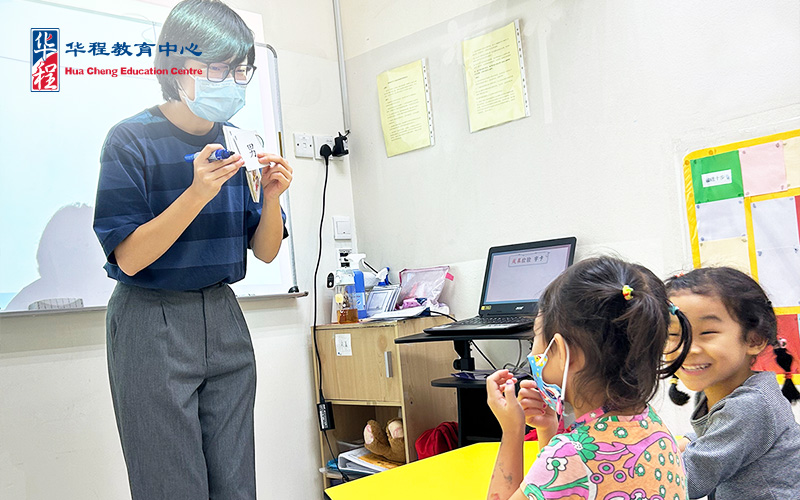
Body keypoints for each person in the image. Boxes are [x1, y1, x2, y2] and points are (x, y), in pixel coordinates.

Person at [92, 1, 292, 498]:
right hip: (150, 319)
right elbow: (130, 257)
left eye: (241, 69)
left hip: (222, 314)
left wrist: (271, 200)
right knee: (170, 486)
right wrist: (196, 192)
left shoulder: (241, 142)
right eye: (218, 67)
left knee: (235, 485)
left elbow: (265, 251)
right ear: (178, 68)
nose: (233, 80)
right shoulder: (129, 139)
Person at [485, 256, 692, 500]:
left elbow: (564, 470)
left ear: (563, 353)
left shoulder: (570, 454)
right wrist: (549, 429)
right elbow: (564, 485)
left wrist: (512, 430)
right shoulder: (657, 431)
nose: (532, 353)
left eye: (536, 338)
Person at [665, 267, 800, 500]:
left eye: (707, 332)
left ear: (754, 339)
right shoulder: (726, 389)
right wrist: (688, 440)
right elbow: (722, 434)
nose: (688, 348)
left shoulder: (751, 405)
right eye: (674, 334)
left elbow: (687, 482)